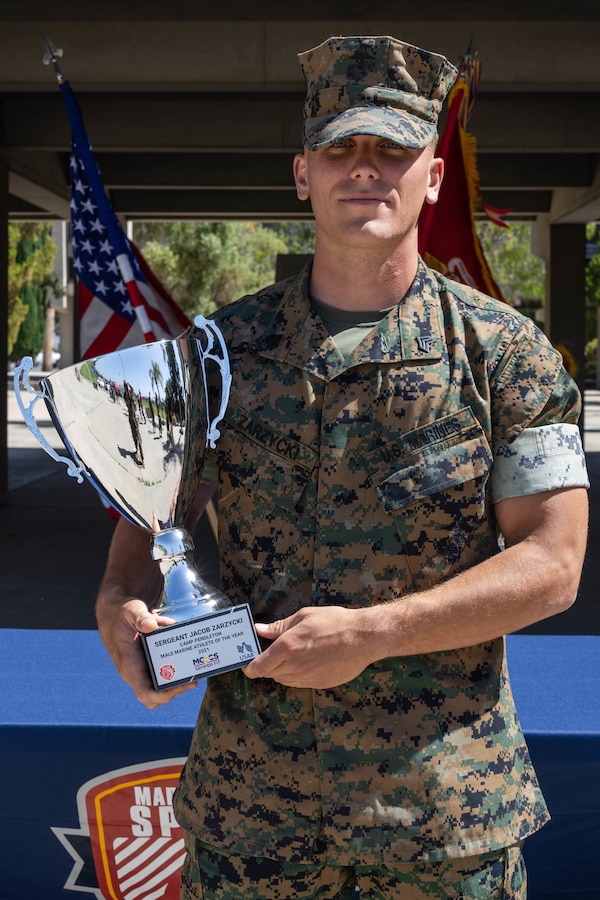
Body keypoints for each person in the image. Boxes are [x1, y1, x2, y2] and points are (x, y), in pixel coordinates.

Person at [96, 35, 589, 900]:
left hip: (443, 820)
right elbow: (150, 520)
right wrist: (120, 604)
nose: (365, 169)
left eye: (392, 150)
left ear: (432, 177)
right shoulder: (213, 354)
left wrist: (375, 634)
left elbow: (553, 567)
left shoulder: (506, 353)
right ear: (302, 172)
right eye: (340, 149)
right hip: (253, 818)